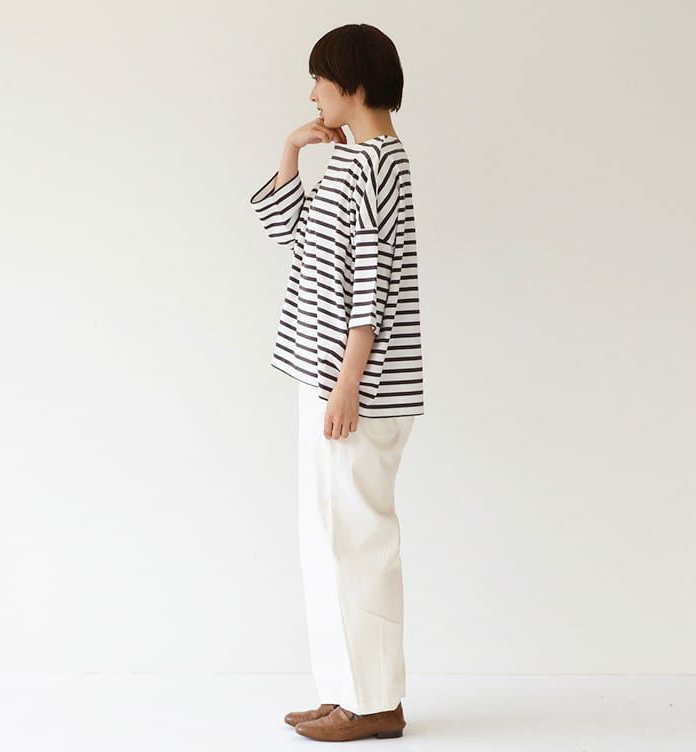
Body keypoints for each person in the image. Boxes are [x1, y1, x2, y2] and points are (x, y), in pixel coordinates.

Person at [249, 23, 424, 743]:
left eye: (319, 79)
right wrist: (292, 150)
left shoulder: (381, 166)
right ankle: (344, 693)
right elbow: (292, 236)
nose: (313, 92)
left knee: (358, 540)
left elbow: (372, 286)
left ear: (352, 84)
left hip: (356, 387)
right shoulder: (353, 159)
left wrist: (348, 384)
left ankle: (375, 703)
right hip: (323, 376)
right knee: (328, 538)